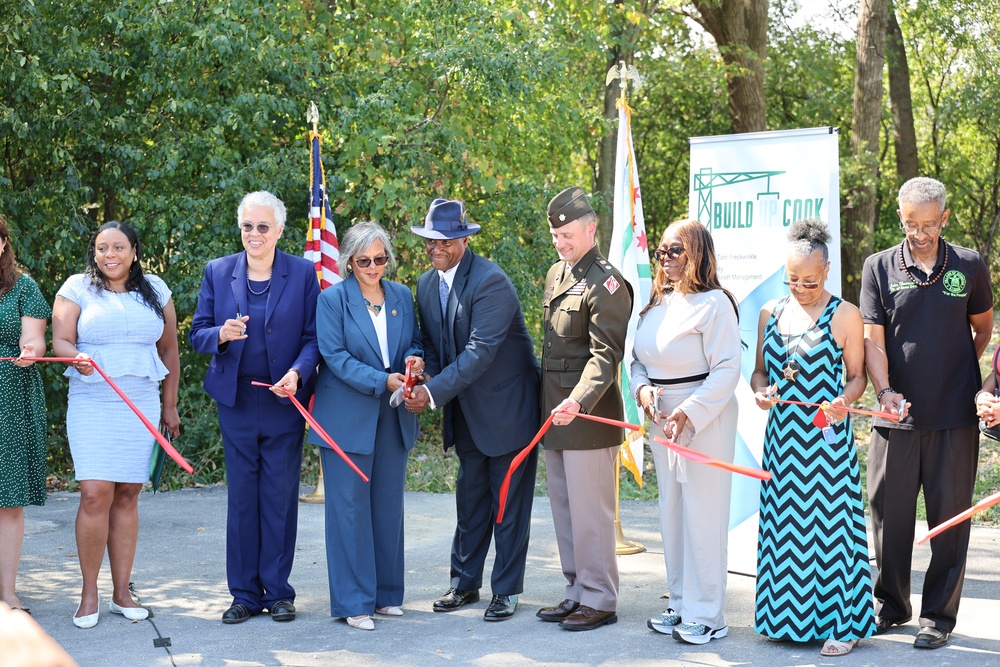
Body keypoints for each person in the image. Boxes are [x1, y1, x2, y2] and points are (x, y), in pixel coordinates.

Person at [861, 176, 993, 649]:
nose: (919, 233)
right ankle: (892, 605)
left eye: (928, 225)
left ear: (944, 219)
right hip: (895, 418)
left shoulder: (969, 266)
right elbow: (872, 339)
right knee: (888, 517)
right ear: (900, 217)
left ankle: (939, 616)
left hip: (955, 416)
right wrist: (886, 391)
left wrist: (957, 370)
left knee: (950, 521)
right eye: (910, 223)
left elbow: (981, 330)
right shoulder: (878, 267)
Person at [405, 199, 541, 622]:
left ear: (464, 239)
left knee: (507, 505)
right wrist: (423, 370)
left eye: (445, 240)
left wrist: (431, 396)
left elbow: (480, 353)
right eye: (430, 240)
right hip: (466, 413)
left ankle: (506, 590)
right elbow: (434, 344)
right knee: (470, 500)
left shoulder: (490, 282)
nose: (436, 248)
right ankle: (464, 585)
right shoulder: (426, 285)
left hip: (509, 410)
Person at [189, 191, 320, 624]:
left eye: (263, 226)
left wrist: (298, 374)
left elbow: (312, 337)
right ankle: (244, 594)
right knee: (244, 499)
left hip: (284, 401)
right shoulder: (218, 271)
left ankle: (279, 592)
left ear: (279, 230)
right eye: (248, 226)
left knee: (279, 498)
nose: (254, 234)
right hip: (238, 402)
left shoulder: (302, 273)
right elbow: (198, 334)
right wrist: (221, 335)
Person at [750, 219, 876, 656]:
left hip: (825, 440)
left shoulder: (844, 314)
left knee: (832, 530)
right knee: (783, 528)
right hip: (782, 441)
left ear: (826, 272)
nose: (800, 287)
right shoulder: (770, 311)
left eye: (809, 280)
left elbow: (859, 377)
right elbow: (760, 372)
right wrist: (760, 394)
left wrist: (843, 399)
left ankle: (845, 624)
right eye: (792, 279)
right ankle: (786, 619)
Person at [51, 221, 180, 629]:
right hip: (93, 399)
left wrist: (169, 405)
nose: (110, 254)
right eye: (102, 247)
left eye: (119, 247)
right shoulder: (76, 287)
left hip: (139, 399)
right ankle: (88, 594)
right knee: (94, 493)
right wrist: (76, 358)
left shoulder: (156, 289)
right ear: (94, 251)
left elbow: (170, 347)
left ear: (134, 251)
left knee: (127, 494)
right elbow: (61, 341)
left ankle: (121, 593)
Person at [308, 221, 422, 631]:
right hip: (346, 419)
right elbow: (334, 357)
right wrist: (382, 380)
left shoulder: (402, 296)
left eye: (380, 259)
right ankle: (354, 602)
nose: (373, 267)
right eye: (364, 260)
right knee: (349, 511)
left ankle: (387, 594)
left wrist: (414, 362)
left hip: (393, 414)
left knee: (388, 506)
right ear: (348, 262)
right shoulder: (332, 300)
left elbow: (413, 342)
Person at [630, 219, 740, 645]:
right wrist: (641, 389)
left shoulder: (715, 303)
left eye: (674, 250)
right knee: (672, 511)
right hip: (661, 417)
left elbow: (727, 367)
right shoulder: (658, 301)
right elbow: (638, 359)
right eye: (661, 251)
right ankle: (679, 601)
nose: (665, 258)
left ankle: (708, 614)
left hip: (702, 416)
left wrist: (690, 413)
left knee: (703, 512)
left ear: (697, 252)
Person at [536, 187, 631, 631]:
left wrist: (578, 400)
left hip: (587, 415)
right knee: (565, 508)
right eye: (556, 235)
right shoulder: (558, 273)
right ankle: (577, 590)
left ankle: (600, 597)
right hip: (555, 412)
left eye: (568, 234)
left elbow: (605, 355)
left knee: (592, 513)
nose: (561, 242)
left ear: (591, 228)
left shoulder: (607, 282)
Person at [0, 216, 51, 616]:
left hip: (10, 399)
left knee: (7, 502)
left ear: (3, 244)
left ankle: (7, 592)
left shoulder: (24, 287)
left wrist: (29, 352)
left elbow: (33, 338)